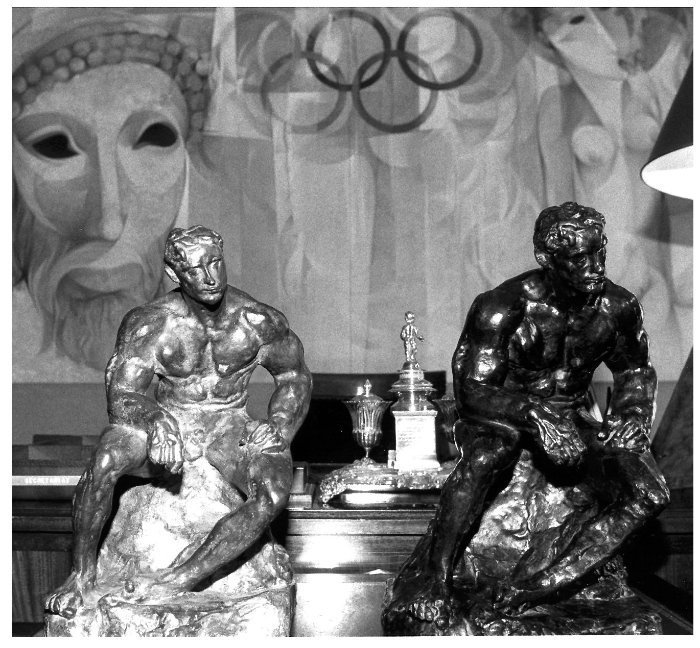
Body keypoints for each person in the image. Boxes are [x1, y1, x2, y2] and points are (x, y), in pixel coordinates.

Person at [387, 201, 669, 627]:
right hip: (501, 413)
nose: (595, 268)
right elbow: (471, 390)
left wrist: (633, 414)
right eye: (580, 258)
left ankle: (536, 588)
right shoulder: (502, 307)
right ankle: (435, 576)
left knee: (650, 493)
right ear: (547, 258)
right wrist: (533, 413)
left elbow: (635, 370)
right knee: (488, 456)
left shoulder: (618, 307)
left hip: (573, 416)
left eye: (600, 252)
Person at [45, 225, 312, 618]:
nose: (209, 277)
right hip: (171, 418)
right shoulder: (151, 323)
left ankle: (179, 579)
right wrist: (155, 418)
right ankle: (81, 575)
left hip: (229, 423)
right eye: (194, 269)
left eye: (214, 263)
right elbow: (121, 396)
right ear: (175, 274)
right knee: (105, 461)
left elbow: (294, 376)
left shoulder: (256, 320)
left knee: (273, 493)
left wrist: (280, 425)